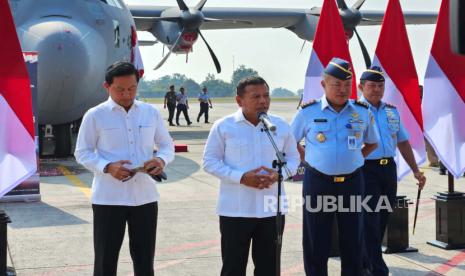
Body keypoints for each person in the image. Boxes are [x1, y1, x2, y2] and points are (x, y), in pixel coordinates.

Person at [74, 61, 175, 276]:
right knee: (105, 260)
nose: (127, 94)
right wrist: (107, 167)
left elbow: (167, 145)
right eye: (120, 89)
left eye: (132, 89)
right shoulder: (95, 115)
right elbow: (82, 152)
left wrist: (161, 161)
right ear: (106, 86)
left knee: (145, 259)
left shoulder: (150, 112)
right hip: (108, 198)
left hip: (145, 197)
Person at [203, 76, 300, 276]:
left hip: (272, 210)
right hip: (235, 210)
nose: (263, 101)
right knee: (233, 268)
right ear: (239, 101)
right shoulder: (224, 126)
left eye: (266, 96)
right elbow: (210, 162)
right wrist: (241, 177)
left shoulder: (280, 126)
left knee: (269, 268)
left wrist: (279, 175)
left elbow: (293, 158)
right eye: (256, 97)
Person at [291, 57, 379, 276]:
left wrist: (356, 158)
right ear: (323, 84)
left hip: (352, 182)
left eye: (347, 85)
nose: (342, 90)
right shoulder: (308, 112)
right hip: (318, 182)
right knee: (316, 237)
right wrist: (308, 158)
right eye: (336, 84)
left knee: (353, 236)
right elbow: (290, 141)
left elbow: (372, 142)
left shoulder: (362, 111)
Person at [358, 66, 426, 276]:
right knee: (370, 219)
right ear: (361, 86)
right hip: (365, 170)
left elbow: (403, 143)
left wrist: (416, 170)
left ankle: (366, 261)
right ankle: (376, 267)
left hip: (388, 171)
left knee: (383, 217)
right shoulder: (355, 110)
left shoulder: (391, 111)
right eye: (372, 86)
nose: (377, 90)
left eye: (380, 86)